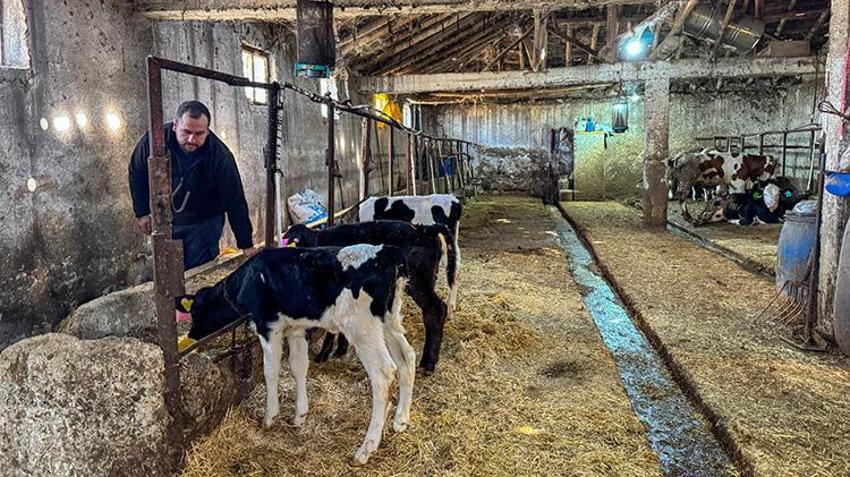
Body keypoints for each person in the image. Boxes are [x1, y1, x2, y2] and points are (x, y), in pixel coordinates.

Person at [128, 100, 258, 269]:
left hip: (204, 222)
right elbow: (137, 171)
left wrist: (246, 243)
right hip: (167, 219)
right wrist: (142, 212)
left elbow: (234, 199)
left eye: (199, 134)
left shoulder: (219, 155)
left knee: (198, 272)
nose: (192, 139)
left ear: (207, 131)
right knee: (169, 270)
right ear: (175, 125)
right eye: (186, 132)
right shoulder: (155, 141)